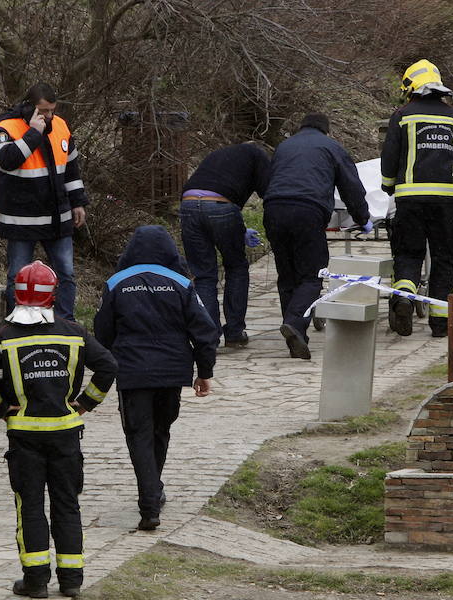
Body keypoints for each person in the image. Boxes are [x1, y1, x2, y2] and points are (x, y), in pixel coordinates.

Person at [0, 261, 117, 599]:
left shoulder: (3, 336)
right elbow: (108, 366)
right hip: (66, 433)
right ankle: (71, 581)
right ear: (54, 295)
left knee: (29, 506)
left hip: (24, 434)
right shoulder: (74, 333)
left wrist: (0, 407)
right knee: (67, 504)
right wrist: (86, 402)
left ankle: (36, 581)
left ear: (17, 294)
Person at [94, 225, 218, 531]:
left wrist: (110, 364)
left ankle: (150, 503)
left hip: (133, 372)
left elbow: (102, 331)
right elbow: (205, 331)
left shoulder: (116, 283)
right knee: (160, 431)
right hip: (171, 373)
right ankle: (153, 493)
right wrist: (204, 372)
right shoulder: (180, 282)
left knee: (139, 435)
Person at [263, 113, 371, 359]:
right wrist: (362, 218)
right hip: (307, 210)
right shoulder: (332, 147)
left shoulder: (284, 146)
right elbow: (350, 186)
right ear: (327, 130)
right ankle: (294, 323)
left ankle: (296, 332)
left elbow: (272, 178)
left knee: (288, 275)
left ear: (301, 127)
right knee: (312, 275)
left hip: (274, 209)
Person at [381, 59, 453, 338]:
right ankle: (441, 323)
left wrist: (387, 185)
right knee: (445, 258)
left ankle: (404, 299)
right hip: (445, 199)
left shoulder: (402, 115)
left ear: (411, 87)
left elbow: (391, 155)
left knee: (408, 253)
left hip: (410, 197)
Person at [0, 82, 89, 320]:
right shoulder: (4, 128)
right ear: (29, 107)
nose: (49, 116)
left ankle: (65, 323)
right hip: (22, 219)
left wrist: (78, 202)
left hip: (58, 217)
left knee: (66, 274)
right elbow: (8, 160)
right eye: (44, 111)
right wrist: (33, 132)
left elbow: (71, 169)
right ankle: (17, 324)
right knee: (17, 276)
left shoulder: (61, 126)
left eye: (52, 110)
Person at [179, 143, 271, 347]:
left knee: (203, 274)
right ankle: (235, 332)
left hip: (188, 204)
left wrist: (241, 229)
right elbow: (268, 191)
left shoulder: (219, 154)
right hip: (221, 206)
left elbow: (215, 186)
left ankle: (209, 337)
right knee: (236, 267)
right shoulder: (257, 155)